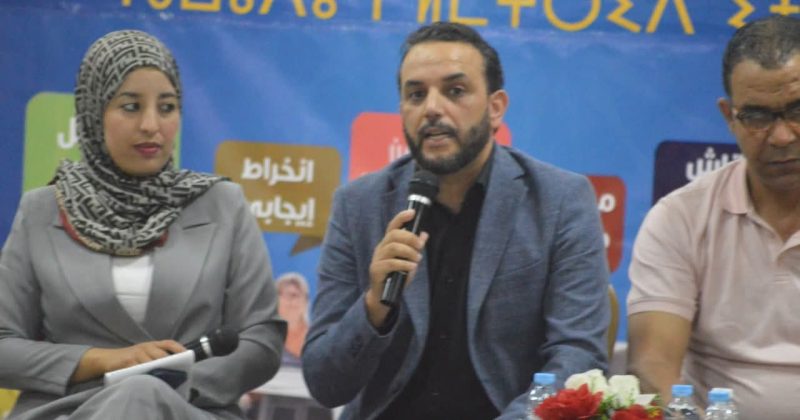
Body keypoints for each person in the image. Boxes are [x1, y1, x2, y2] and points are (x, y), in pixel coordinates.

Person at [302, 22, 610, 419]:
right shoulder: (359, 205)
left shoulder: (560, 201)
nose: (432, 108)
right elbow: (325, 384)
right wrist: (374, 306)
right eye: (416, 94)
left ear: (495, 108)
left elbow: (577, 358)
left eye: (455, 91)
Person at [0, 30, 286, 419]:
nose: (151, 124)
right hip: (66, 410)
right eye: (131, 107)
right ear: (93, 111)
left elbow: (261, 340)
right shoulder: (42, 210)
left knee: (142, 395)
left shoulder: (223, 204)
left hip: (188, 407)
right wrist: (103, 360)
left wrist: (169, 385)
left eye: (166, 107)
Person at [627, 15, 800, 419]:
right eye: (757, 116)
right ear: (728, 117)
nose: (781, 136)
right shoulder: (680, 218)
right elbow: (652, 369)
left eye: (797, 109)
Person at [275, 272, 310, 365]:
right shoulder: (266, 340)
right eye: (287, 295)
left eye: (296, 295)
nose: (292, 301)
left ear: (306, 302)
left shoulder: (317, 338)